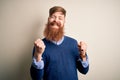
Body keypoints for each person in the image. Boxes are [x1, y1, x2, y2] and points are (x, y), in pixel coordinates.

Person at [30, 6, 89, 80]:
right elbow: (36, 78)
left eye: (60, 18)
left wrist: (83, 55)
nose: (56, 20)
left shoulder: (73, 43)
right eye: (53, 17)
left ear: (64, 22)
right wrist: (38, 55)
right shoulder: (39, 47)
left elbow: (84, 71)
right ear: (48, 20)